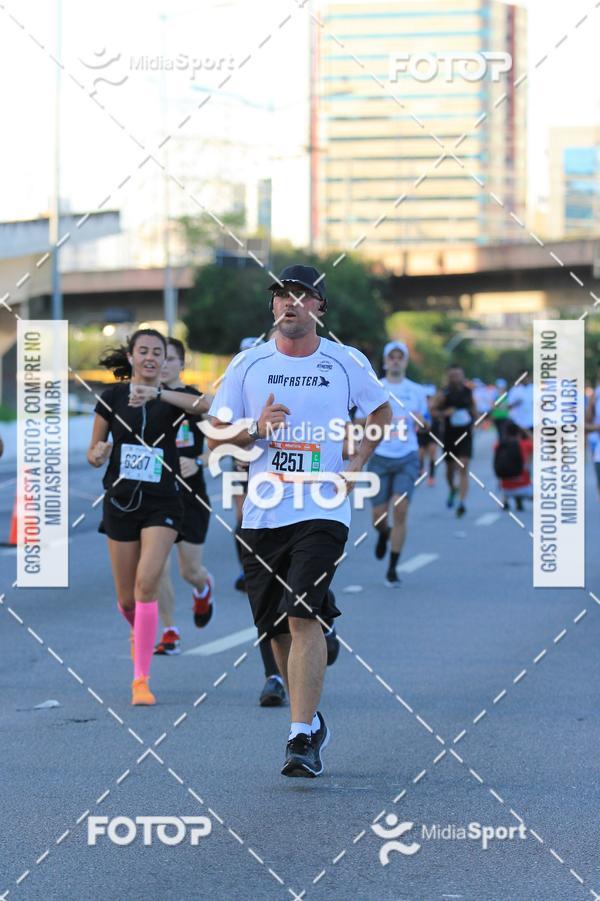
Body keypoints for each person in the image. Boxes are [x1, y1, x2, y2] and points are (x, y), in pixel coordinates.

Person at [207, 264, 391, 777]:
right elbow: (215, 434)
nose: (291, 302)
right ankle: (310, 718)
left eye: (303, 295)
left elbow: (380, 413)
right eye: (283, 295)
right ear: (272, 306)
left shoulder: (345, 362)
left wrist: (357, 464)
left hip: (323, 506)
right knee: (276, 626)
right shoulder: (248, 364)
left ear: (319, 307)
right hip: (263, 510)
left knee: (302, 614)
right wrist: (254, 429)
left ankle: (300, 736)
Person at [87, 329, 210, 706]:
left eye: (158, 352)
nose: (151, 358)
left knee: (146, 584)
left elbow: (207, 405)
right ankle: (141, 626)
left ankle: (140, 680)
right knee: (128, 600)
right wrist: (98, 454)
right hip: (121, 502)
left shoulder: (173, 399)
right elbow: (93, 451)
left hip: (163, 503)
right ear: (130, 357)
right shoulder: (111, 398)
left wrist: (159, 394)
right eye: (143, 351)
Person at [233, 336, 287, 708]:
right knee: (266, 597)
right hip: (257, 502)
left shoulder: (295, 384)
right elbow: (218, 433)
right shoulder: (233, 393)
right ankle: (273, 676)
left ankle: (324, 618)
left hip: (304, 501)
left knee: (301, 585)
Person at [154, 338, 214, 656]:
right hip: (156, 495)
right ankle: (170, 632)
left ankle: (203, 588)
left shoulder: (195, 401)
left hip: (191, 496)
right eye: (159, 357)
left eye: (170, 358)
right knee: (157, 566)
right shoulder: (147, 399)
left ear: (182, 363)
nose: (163, 364)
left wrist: (199, 460)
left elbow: (221, 440)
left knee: (188, 571)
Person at [366, 340, 428, 587]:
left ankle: (392, 568)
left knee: (401, 510)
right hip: (379, 456)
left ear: (405, 361)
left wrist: (423, 421)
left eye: (399, 357)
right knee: (378, 517)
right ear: (385, 361)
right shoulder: (375, 387)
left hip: (407, 456)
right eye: (391, 357)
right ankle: (384, 534)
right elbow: (360, 420)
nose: (395, 361)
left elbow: (426, 424)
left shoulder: (416, 391)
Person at [432, 364, 477, 518]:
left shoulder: (468, 392)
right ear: (449, 377)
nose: (456, 378)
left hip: (465, 434)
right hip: (449, 434)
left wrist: (475, 418)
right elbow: (432, 410)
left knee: (463, 466)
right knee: (450, 468)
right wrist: (445, 413)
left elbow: (474, 408)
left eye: (459, 375)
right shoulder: (443, 393)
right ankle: (452, 488)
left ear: (463, 376)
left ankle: (461, 503)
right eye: (453, 376)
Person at [493, 421, 533, 512]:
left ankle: (505, 500)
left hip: (505, 488)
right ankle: (519, 498)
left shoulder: (499, 445)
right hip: (524, 487)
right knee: (525, 469)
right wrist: (526, 431)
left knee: (507, 469)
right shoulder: (525, 444)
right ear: (519, 433)